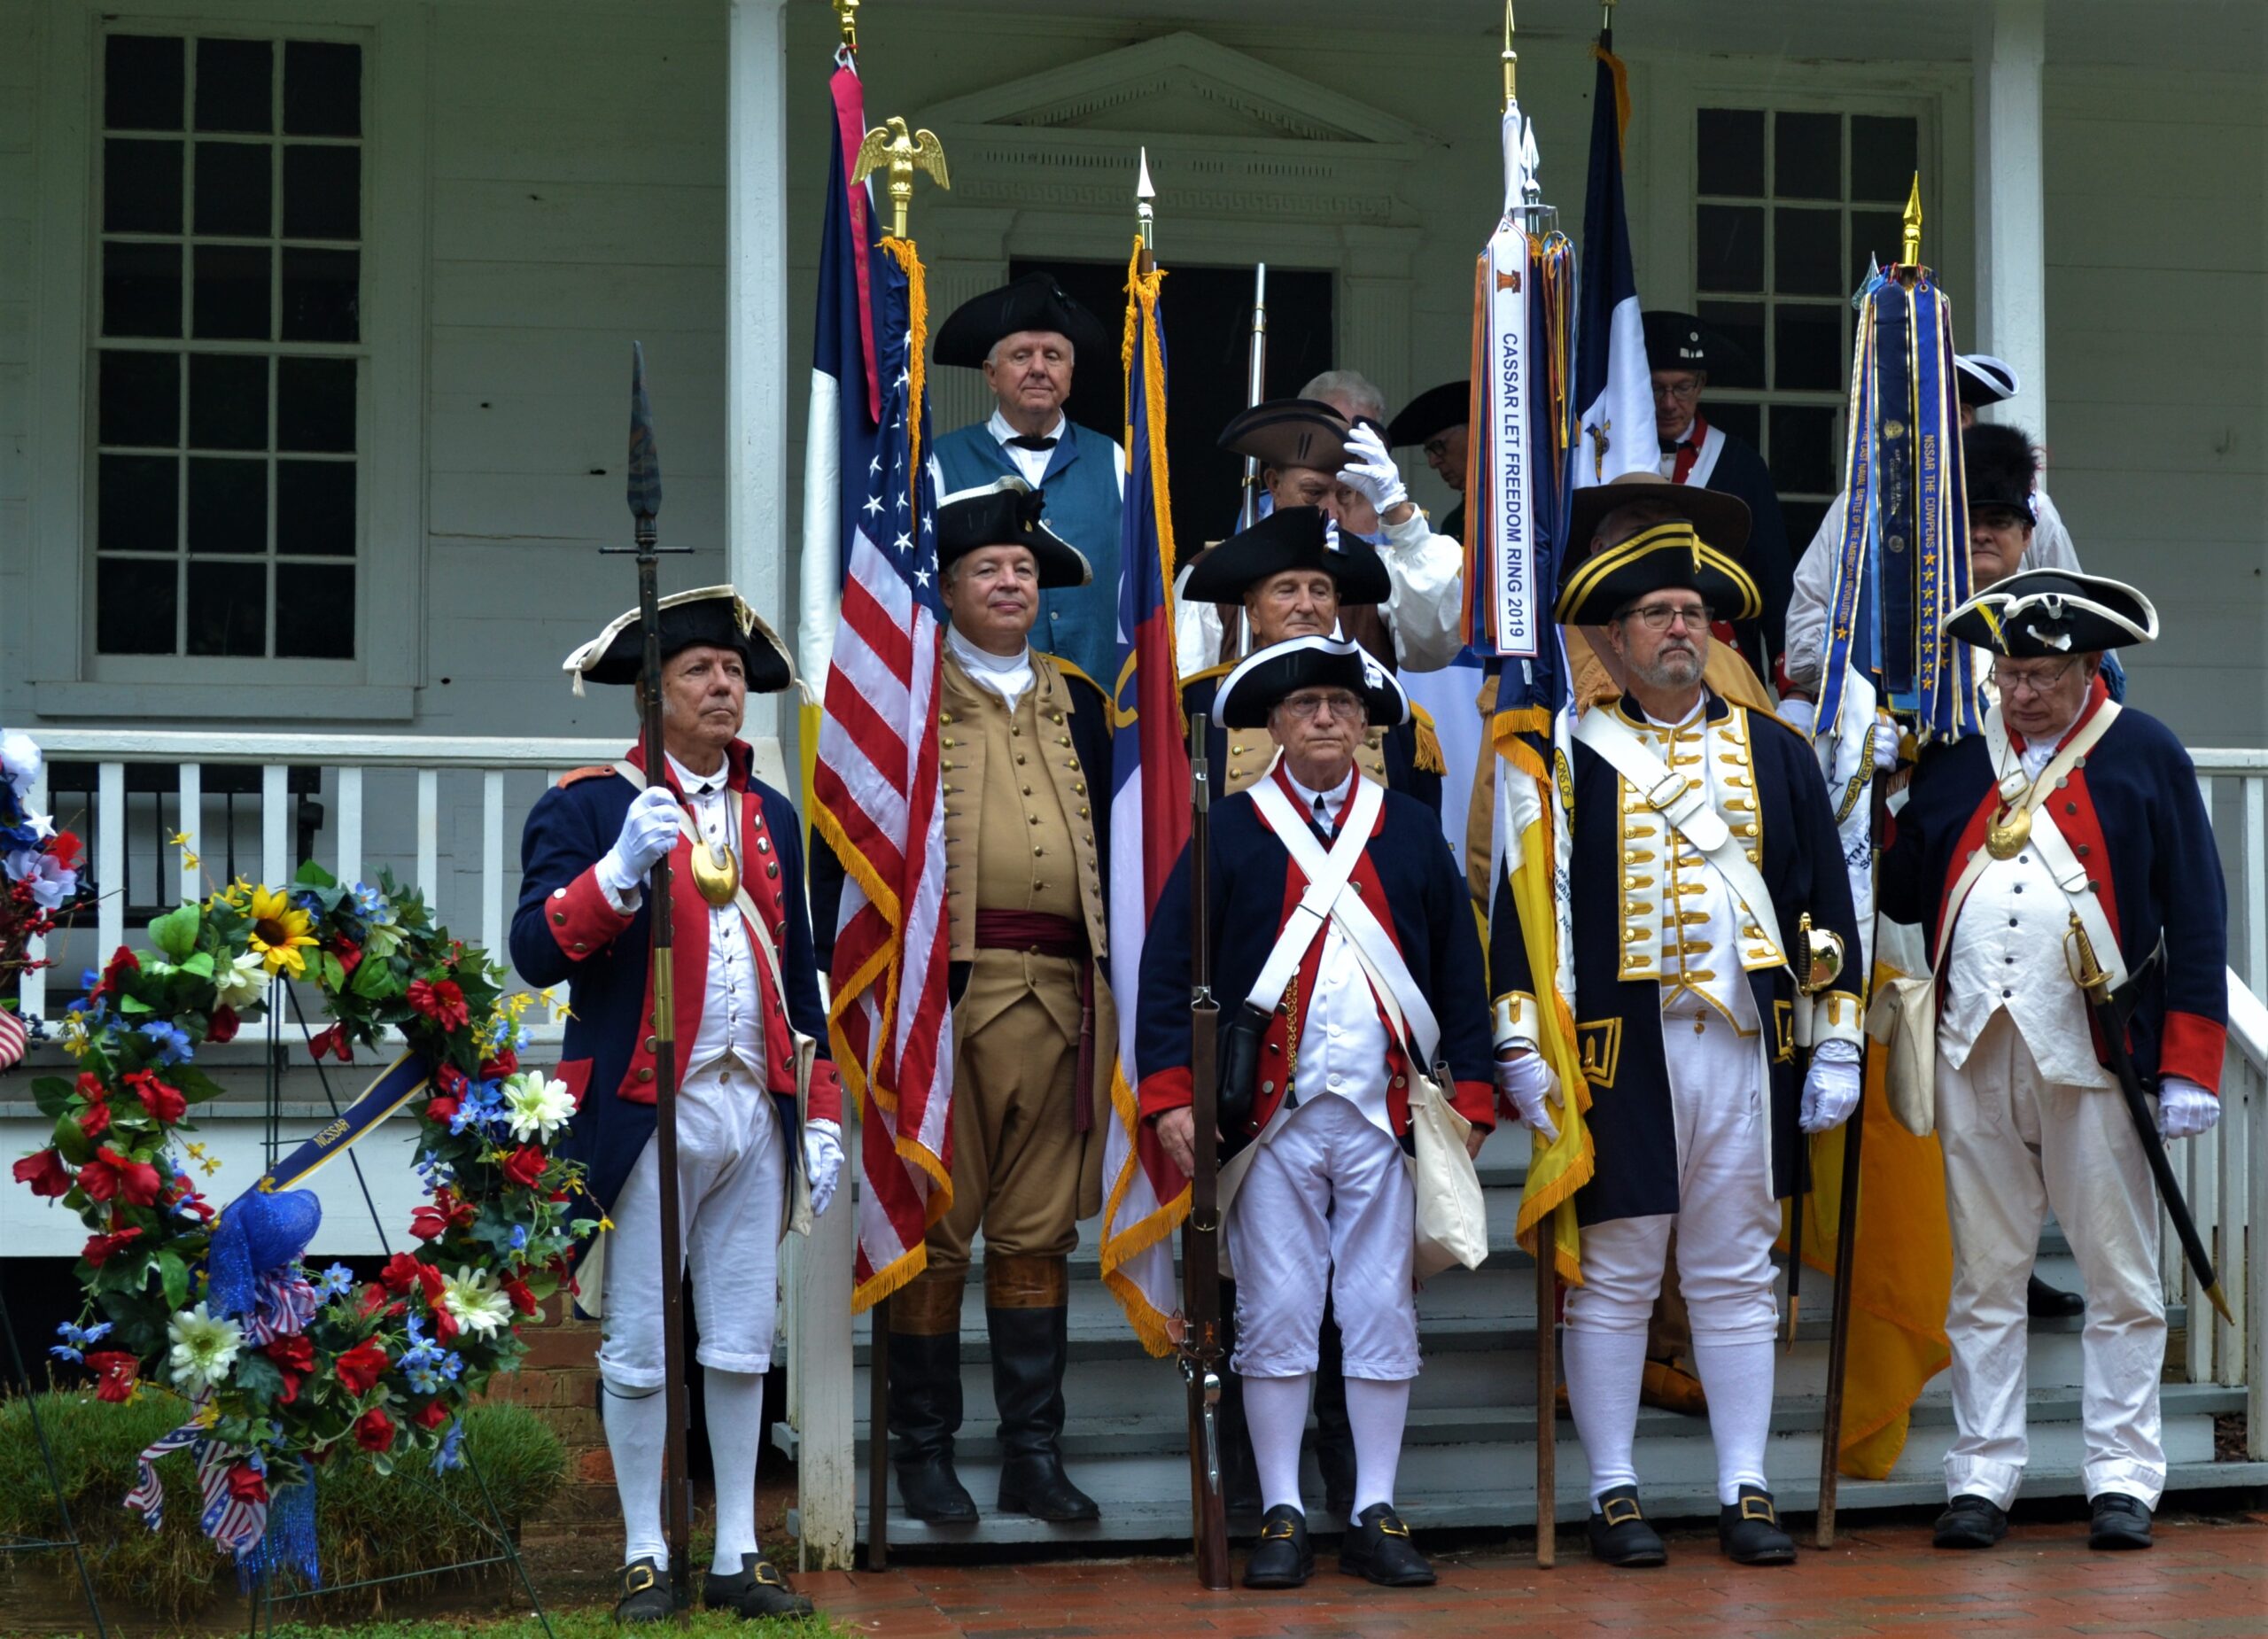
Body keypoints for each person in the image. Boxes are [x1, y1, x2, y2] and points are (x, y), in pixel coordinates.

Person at [1488, 523, 1866, 1569]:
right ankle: (1613, 1490)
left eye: (1693, 615)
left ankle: (1744, 1483)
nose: (1678, 630)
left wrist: (1836, 1040)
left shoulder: (1776, 752)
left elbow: (1823, 910)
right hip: (1622, 1047)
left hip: (1745, 1045)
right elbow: (1520, 913)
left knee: (1737, 1271)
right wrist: (1521, 1036)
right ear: (1612, 639)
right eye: (1655, 614)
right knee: (1615, 1272)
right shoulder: (1563, 753)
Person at [1136, 634, 1495, 1589]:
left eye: (1341, 703)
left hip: (1385, 1116)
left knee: (1379, 1306)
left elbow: (1461, 971)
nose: (1325, 718)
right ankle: (1285, 1508)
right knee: (1278, 1308)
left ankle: (1375, 1505)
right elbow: (1171, 969)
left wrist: (1470, 1097)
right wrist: (1171, 1093)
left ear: (1365, 722)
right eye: (1304, 707)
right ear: (1275, 728)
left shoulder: (1409, 828)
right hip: (1267, 1122)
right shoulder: (1231, 829)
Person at [1879, 571, 2225, 1554]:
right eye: (2006, 674)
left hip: (2097, 1054)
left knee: (2118, 1276)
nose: (2018, 693)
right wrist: (1883, 795)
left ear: (2084, 668)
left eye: (2038, 674)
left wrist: (2190, 1061)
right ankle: (1982, 1473)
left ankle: (2121, 1475)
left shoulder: (2144, 750)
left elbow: (2197, 909)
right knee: (1984, 1277)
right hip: (1970, 1046)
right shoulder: (1955, 759)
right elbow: (1906, 895)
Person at [511, 587, 841, 1623]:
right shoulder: (586, 803)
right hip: (642, 1105)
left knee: (743, 1337)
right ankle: (647, 1547)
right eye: (701, 671)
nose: (724, 688)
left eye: (735, 673)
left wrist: (820, 1107)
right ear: (652, 693)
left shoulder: (771, 817)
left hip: (754, 1104)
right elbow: (534, 952)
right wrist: (617, 870)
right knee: (643, 1346)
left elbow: (804, 975)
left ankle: (739, 1548)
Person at [812, 478, 1114, 1525]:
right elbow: (844, 845)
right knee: (937, 1231)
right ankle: (923, 1451)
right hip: (945, 1002)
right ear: (943, 591)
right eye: (988, 568)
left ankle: (1032, 1452)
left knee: (1036, 1240)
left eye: (1025, 569)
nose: (1010, 582)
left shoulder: (1080, 697)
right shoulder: (903, 694)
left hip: (1065, 998)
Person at [1782, 356, 2084, 703]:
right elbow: (1804, 632)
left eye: (1925, 415)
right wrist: (1874, 674)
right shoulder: (1860, 508)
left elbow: (2074, 616)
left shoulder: (2031, 505)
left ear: (1964, 418)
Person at [1182, 503, 1446, 814]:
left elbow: (1414, 845)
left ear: (1335, 606)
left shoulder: (1392, 714)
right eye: (1287, 591)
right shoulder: (1198, 706)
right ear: (1253, 611)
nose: (1305, 605)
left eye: (1319, 591)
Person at [1177, 396, 1463, 680]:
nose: (1332, 512)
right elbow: (1181, 696)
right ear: (1274, 484)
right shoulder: (1212, 574)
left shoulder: (1377, 571)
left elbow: (1433, 647)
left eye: (1345, 494)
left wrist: (1397, 510)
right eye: (1313, 493)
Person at [930, 271, 1125, 684]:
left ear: (1070, 374)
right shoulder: (941, 461)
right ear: (990, 374)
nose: (1038, 368)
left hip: (1094, 700)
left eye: (1053, 356)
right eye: (1021, 356)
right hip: (974, 696)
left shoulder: (1112, 457)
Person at [1643, 310, 1793, 675]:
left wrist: (1794, 686)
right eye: (1656, 388)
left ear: (1701, 384)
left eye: (1681, 388)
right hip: (1632, 662)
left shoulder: (1741, 466)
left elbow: (1774, 583)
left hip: (1722, 664)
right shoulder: (1608, 461)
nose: (1668, 403)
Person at [1386, 380, 1470, 545]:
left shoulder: (1523, 503)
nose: (1432, 462)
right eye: (1429, 452)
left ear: (1474, 434)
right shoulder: (1453, 523)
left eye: (1438, 446)